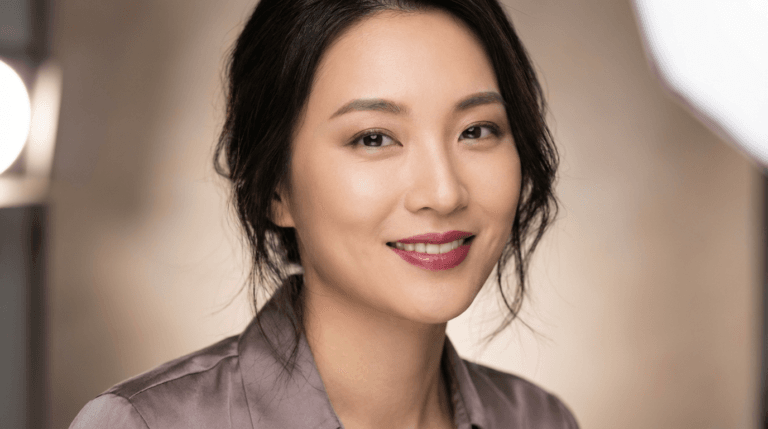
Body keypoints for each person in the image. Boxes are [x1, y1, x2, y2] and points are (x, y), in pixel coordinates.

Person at [70, 0, 576, 427]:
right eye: (373, 138)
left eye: (476, 130)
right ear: (274, 187)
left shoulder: (539, 418)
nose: (443, 194)